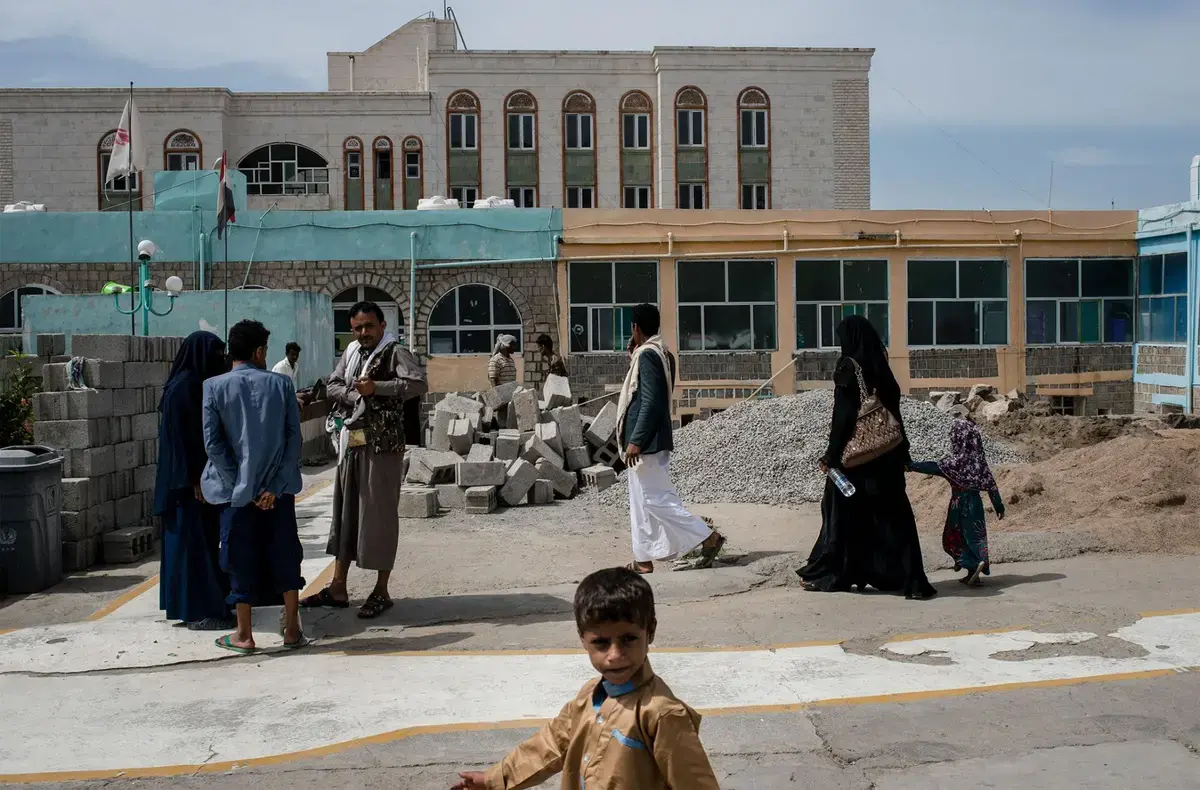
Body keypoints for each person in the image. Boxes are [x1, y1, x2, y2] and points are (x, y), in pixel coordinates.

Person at [451, 567, 719, 790]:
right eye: (601, 643)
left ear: (650, 633)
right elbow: (549, 745)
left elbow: (695, 784)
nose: (615, 655)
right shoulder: (588, 696)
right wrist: (494, 779)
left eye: (628, 639)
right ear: (583, 639)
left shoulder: (661, 714)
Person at [796, 315, 937, 600]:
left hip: (858, 462)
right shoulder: (882, 368)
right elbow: (894, 415)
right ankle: (909, 579)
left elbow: (844, 418)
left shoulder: (848, 367)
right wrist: (904, 452)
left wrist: (831, 456)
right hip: (888, 457)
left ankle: (834, 574)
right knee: (895, 518)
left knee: (841, 515)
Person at [303, 301, 428, 619]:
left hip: (383, 447)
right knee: (345, 512)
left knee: (380, 515)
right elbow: (332, 384)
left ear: (382, 326)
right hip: (352, 445)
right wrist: (356, 395)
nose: (362, 333)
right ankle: (338, 586)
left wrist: (377, 388)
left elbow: (417, 384)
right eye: (357, 328)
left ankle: (381, 590)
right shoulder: (351, 353)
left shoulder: (395, 352)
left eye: (368, 326)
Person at [201, 320, 307, 653]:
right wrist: (272, 487)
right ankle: (292, 629)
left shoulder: (213, 387)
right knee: (286, 555)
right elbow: (293, 442)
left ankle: (244, 635)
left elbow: (213, 445)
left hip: (235, 496)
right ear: (260, 351)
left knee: (237, 558)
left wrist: (240, 487)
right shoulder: (282, 386)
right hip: (280, 493)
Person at [616, 304, 724, 574]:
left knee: (655, 500)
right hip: (652, 440)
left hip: (647, 443)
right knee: (641, 502)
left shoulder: (649, 356)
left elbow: (651, 401)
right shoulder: (662, 353)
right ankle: (643, 559)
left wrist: (636, 440)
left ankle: (707, 537)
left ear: (635, 328)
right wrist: (635, 355)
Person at [154, 331, 233, 631]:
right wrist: (194, 479)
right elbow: (184, 441)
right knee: (193, 547)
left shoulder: (186, 385)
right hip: (186, 486)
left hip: (184, 483)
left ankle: (190, 607)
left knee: (191, 546)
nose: (221, 359)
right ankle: (201, 609)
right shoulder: (186, 388)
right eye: (216, 353)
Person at [908, 419, 1006, 586]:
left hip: (958, 505)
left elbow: (932, 466)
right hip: (976, 506)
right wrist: (998, 506)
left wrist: (910, 466)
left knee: (953, 537)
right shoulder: (979, 464)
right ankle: (973, 571)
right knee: (974, 538)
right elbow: (992, 486)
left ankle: (970, 564)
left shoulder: (953, 463)